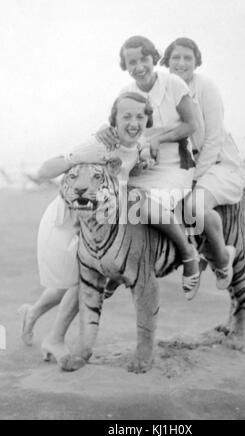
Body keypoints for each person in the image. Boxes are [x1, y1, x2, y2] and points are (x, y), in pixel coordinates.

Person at [19, 90, 197, 348]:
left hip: (98, 220)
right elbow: (45, 170)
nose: (134, 123)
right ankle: (53, 336)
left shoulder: (136, 145)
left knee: (74, 282)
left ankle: (35, 317)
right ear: (113, 120)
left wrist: (139, 166)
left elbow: (126, 170)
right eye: (126, 116)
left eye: (140, 116)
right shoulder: (99, 143)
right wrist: (75, 159)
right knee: (77, 281)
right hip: (70, 219)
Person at [96, 35, 202, 298]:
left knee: (138, 204)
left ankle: (188, 254)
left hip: (175, 165)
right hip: (141, 166)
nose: (139, 66)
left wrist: (156, 139)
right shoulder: (125, 92)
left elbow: (192, 125)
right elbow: (116, 126)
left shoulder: (173, 83)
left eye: (143, 58)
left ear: (153, 58)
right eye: (132, 61)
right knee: (114, 203)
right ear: (125, 65)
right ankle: (121, 269)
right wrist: (105, 132)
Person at [159, 37, 245, 289]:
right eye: (176, 57)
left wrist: (195, 177)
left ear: (197, 62)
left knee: (194, 206)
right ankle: (195, 257)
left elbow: (214, 138)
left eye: (188, 57)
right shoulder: (164, 92)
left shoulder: (205, 86)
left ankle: (221, 258)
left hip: (220, 164)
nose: (181, 62)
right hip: (189, 167)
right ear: (167, 61)